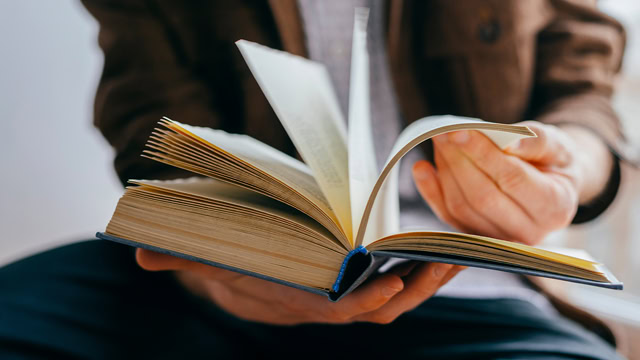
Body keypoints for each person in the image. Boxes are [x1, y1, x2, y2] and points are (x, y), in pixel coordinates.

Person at [0, 0, 636, 358]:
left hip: (470, 295)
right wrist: (213, 267)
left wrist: (572, 161)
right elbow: (150, 123)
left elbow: (583, 74)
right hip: (215, 282)